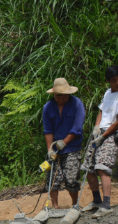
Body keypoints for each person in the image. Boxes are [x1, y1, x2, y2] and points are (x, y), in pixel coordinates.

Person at [80, 66, 118, 218]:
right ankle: (96, 200)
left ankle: (106, 204)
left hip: (113, 134)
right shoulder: (107, 93)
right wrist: (97, 127)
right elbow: (101, 112)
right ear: (108, 81)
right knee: (89, 167)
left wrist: (104, 136)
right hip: (100, 132)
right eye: (114, 80)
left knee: (102, 167)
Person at [43, 78, 85, 208]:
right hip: (55, 149)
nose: (60, 98)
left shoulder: (77, 104)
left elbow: (77, 127)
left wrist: (64, 142)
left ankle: (74, 205)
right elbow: (48, 130)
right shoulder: (48, 107)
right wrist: (50, 150)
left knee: (71, 179)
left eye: (63, 96)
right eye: (58, 96)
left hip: (72, 147)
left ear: (68, 93)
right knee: (52, 180)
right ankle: (54, 206)